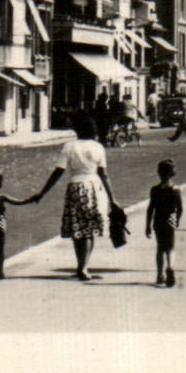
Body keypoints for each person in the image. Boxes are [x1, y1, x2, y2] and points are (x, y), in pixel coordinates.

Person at [27, 112, 119, 281]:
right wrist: (112, 199)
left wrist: (42, 192)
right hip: (94, 187)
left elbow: (58, 172)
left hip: (75, 187)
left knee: (78, 229)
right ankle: (84, 267)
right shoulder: (98, 147)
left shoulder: (69, 146)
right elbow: (104, 174)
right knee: (89, 230)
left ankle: (80, 266)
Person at [145, 158, 184, 287]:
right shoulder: (175, 190)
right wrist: (177, 220)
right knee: (171, 247)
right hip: (170, 219)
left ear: (159, 173)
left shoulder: (154, 190)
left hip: (158, 220)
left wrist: (147, 225)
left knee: (160, 248)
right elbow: (180, 208)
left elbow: (151, 208)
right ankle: (170, 266)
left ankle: (160, 274)